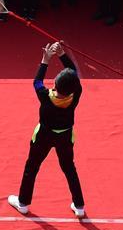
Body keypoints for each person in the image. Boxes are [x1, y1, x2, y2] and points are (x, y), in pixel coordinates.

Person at [8, 41, 86, 218]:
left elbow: (37, 81)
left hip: (43, 136)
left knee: (32, 167)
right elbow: (73, 73)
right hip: (65, 136)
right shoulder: (77, 93)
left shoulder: (45, 96)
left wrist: (45, 59)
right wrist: (62, 55)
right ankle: (79, 206)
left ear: (56, 85)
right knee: (69, 168)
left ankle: (23, 203)